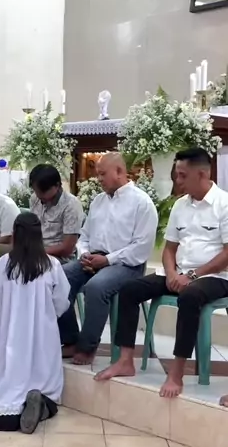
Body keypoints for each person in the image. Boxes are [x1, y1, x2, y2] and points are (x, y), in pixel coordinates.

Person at [95, 147, 228, 398]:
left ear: (201, 174)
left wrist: (192, 276)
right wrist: (171, 273)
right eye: (176, 174)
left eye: (182, 175)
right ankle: (125, 360)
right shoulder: (180, 205)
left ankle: (176, 373)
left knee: (190, 296)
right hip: (179, 273)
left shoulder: (224, 204)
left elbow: (226, 254)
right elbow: (169, 249)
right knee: (130, 289)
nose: (177, 180)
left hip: (215, 277)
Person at [59, 153, 158, 364]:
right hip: (93, 259)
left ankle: (87, 348)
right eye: (98, 174)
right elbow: (84, 235)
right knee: (58, 277)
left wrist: (107, 260)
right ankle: (70, 339)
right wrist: (85, 253)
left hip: (127, 265)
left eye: (103, 174)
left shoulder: (142, 203)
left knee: (96, 287)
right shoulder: (98, 201)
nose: (99, 179)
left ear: (119, 172)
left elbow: (140, 249)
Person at [0, 212, 70, 434]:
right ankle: (40, 403)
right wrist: (46, 319)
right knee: (45, 387)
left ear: (14, 234)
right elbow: (62, 301)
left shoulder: (2, 264)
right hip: (42, 340)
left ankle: (22, 405)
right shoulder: (51, 265)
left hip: (10, 339)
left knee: (2, 422)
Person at [30, 165, 83, 262]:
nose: (39, 195)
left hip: (59, 258)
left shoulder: (71, 205)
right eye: (36, 191)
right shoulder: (35, 198)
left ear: (57, 185)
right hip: (35, 252)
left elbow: (67, 248)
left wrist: (37, 252)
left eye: (43, 191)